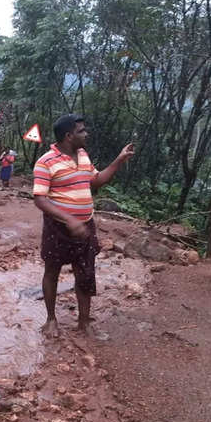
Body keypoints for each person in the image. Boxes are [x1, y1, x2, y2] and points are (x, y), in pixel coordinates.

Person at [33, 114, 134, 339]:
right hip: (57, 227)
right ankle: (51, 320)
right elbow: (40, 199)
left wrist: (118, 160)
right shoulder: (45, 161)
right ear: (69, 136)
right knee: (52, 271)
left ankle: (84, 322)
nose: (86, 134)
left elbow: (96, 181)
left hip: (86, 225)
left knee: (85, 272)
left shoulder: (83, 155)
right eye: (81, 131)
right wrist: (69, 219)